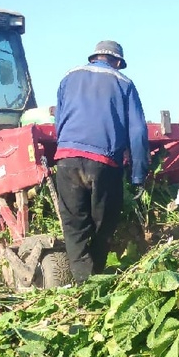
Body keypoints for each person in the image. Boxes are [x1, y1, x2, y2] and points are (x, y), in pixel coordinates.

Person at [53, 40, 149, 282]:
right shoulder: (124, 83)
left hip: (67, 158)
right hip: (104, 162)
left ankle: (83, 284)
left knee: (75, 226)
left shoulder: (68, 77)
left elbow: (59, 121)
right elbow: (137, 132)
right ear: (117, 62)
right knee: (103, 224)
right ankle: (94, 281)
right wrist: (138, 176)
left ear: (94, 57)